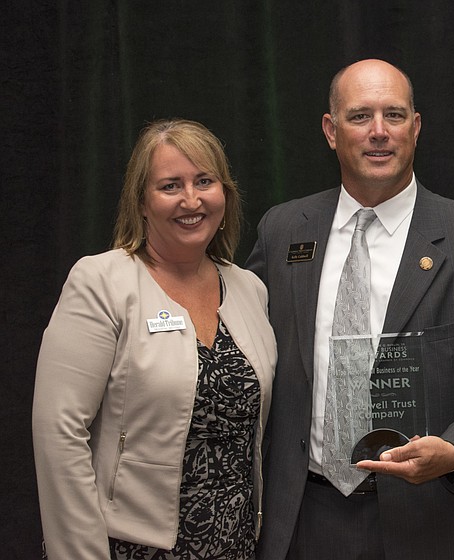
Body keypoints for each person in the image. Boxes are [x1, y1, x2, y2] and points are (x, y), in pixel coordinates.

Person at [246, 59, 454, 559]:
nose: (379, 132)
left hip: (430, 515)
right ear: (331, 131)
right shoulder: (283, 231)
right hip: (305, 514)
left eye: (394, 116)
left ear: (415, 128)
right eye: (360, 117)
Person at [32, 119, 277, 559]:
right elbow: (59, 432)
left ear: (225, 193)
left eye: (204, 181)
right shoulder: (102, 282)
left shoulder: (249, 289)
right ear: (141, 203)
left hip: (236, 545)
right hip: (129, 548)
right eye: (170, 186)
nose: (191, 200)